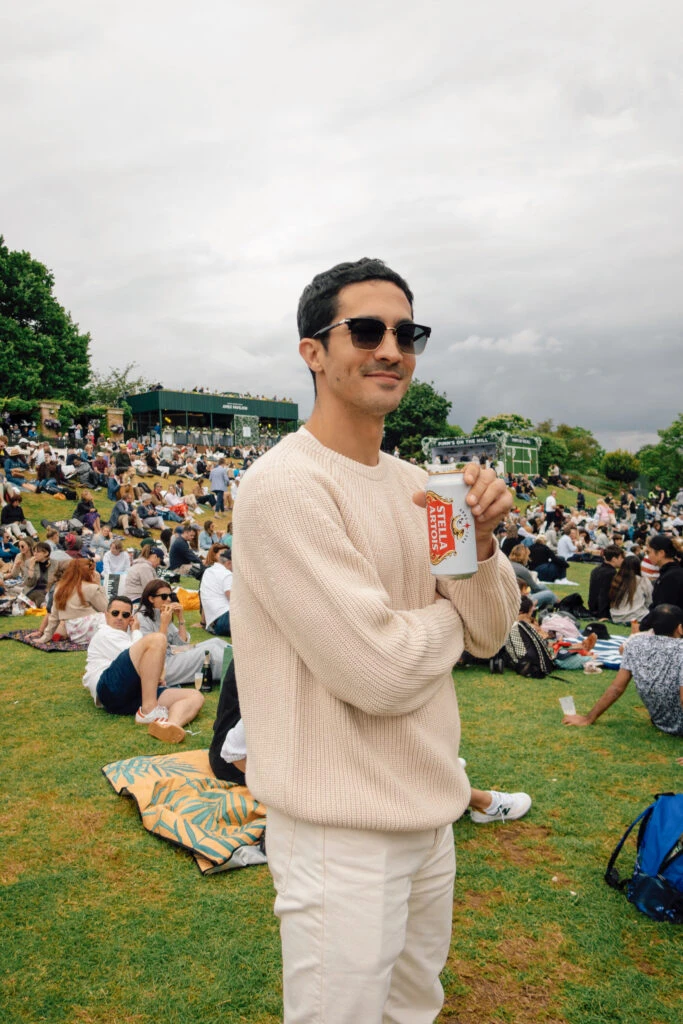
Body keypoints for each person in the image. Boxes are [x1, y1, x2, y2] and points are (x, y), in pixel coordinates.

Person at [231, 257, 518, 1022]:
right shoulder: (284, 487)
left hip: (429, 809)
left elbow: (491, 634)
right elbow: (380, 672)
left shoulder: (422, 489)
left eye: (407, 332)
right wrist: (443, 619)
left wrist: (481, 547)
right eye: (364, 329)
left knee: (413, 1009)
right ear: (313, 351)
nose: (390, 347)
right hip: (337, 829)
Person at [82, 595, 203, 741]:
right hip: (108, 690)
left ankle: (169, 726)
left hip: (132, 694)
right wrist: (136, 631)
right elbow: (142, 657)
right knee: (158, 639)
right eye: (115, 613)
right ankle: (149, 710)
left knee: (195, 696)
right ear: (106, 615)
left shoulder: (126, 635)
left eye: (125, 615)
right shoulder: (104, 633)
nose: (120, 618)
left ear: (130, 619)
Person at [563, 604, 683, 736]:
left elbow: (616, 688)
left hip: (663, 723)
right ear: (680, 628)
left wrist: (588, 718)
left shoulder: (635, 644)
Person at [135, 579, 227, 685]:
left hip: (172, 654)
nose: (169, 599)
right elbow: (154, 651)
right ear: (151, 598)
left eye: (171, 595)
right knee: (209, 651)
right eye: (164, 596)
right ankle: (237, 670)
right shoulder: (141, 618)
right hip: (160, 666)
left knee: (216, 642)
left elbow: (181, 643)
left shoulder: (162, 613)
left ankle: (244, 658)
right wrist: (164, 624)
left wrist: (180, 618)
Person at [32, 558, 107, 644]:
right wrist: (98, 585)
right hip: (91, 628)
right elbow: (105, 608)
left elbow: (54, 616)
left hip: (74, 632)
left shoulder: (60, 588)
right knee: (117, 615)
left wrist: (46, 636)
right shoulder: (91, 588)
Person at [507, 544, 557, 610]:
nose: (528, 558)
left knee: (542, 586)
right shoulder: (522, 570)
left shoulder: (508, 564)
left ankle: (555, 603)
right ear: (524, 556)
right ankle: (559, 604)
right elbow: (535, 588)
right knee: (549, 594)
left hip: (509, 596)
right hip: (518, 601)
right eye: (528, 556)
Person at [609, 555, 653, 624]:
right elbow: (649, 600)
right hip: (638, 616)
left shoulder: (617, 579)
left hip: (617, 616)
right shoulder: (643, 580)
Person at [199, 545, 232, 635]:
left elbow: (204, 599)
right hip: (225, 619)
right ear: (229, 563)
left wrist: (203, 622)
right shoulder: (227, 574)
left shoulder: (208, 571)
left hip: (214, 622)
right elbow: (235, 601)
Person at [588, 544, 625, 619]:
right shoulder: (611, 573)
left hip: (593, 608)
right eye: (621, 558)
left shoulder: (596, 570)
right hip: (602, 611)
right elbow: (603, 596)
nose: (623, 560)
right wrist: (603, 615)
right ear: (614, 559)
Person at [648, 534, 683, 609]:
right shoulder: (672, 572)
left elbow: (663, 611)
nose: (648, 556)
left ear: (661, 553)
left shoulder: (671, 577)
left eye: (649, 552)